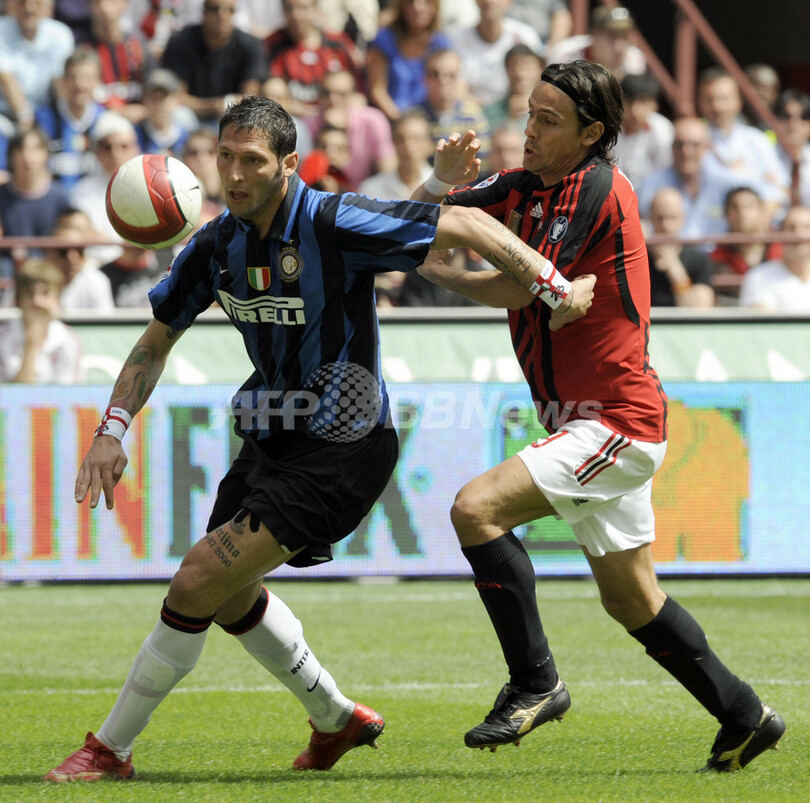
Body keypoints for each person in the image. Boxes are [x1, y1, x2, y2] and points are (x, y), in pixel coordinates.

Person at [44, 93, 594, 782]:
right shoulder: (214, 247)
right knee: (228, 596)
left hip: (345, 443)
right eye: (225, 157)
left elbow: (464, 224)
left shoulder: (331, 219)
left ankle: (110, 750)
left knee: (195, 580)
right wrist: (111, 428)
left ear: (288, 164)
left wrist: (555, 288)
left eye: (252, 160)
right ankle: (336, 719)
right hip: (272, 435)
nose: (234, 174)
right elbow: (154, 343)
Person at [411, 60, 785, 771]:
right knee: (631, 599)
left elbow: (528, 288)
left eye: (548, 120)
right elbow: (405, 228)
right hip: (582, 422)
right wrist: (437, 182)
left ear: (591, 133)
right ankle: (744, 716)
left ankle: (535, 683)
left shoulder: (600, 187)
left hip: (617, 422)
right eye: (529, 113)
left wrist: (443, 264)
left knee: (475, 509)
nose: (528, 130)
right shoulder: (521, 185)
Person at [637, 117, 754, 246]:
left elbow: (763, 198)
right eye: (680, 145)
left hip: (718, 255)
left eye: (695, 145)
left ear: (707, 147)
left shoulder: (726, 181)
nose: (686, 151)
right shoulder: (651, 185)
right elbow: (643, 225)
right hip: (670, 252)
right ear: (672, 148)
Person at [697, 67, 787, 222]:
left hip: (752, 231)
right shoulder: (690, 140)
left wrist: (755, 225)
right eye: (709, 99)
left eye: (724, 99)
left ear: (738, 101)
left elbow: (779, 190)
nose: (717, 106)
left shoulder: (757, 140)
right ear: (699, 102)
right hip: (705, 232)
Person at [160, 0, 266, 123]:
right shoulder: (180, 42)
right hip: (194, 118)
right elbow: (177, 97)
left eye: (229, 10)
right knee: (179, 114)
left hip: (234, 119)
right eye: (215, 9)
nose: (222, 15)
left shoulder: (251, 45)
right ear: (204, 12)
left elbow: (250, 97)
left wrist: (227, 105)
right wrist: (214, 106)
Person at [264, 0, 364, 119]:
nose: (296, 15)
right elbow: (270, 91)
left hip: (335, 116)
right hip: (291, 118)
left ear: (316, 9)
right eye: (289, 9)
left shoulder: (338, 43)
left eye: (304, 8)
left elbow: (358, 89)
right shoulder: (272, 45)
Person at [304, 68, 396, 189]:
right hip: (318, 193)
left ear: (353, 96)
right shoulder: (308, 124)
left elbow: (388, 169)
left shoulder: (374, 121)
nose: (333, 100)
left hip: (363, 193)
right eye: (327, 93)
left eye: (341, 94)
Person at [0, 256, 84, 383]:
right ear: (19, 299)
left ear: (57, 299)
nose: (36, 301)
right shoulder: (2, 337)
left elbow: (69, 391)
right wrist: (31, 345)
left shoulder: (69, 339)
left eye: (45, 293)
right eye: (29, 293)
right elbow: (14, 392)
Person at [35, 45, 107, 190]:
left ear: (98, 81)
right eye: (73, 77)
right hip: (55, 200)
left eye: (88, 78)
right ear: (64, 81)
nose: (80, 85)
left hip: (96, 200)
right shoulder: (44, 119)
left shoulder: (105, 120)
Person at [365, 0, 450, 122]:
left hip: (431, 121)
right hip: (393, 120)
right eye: (411, 2)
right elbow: (377, 90)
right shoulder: (384, 40)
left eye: (426, 2)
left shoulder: (441, 42)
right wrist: (401, 121)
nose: (418, 8)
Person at [449, 0, 542, 108]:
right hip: (473, 112)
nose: (489, 1)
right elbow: (455, 89)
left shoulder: (526, 36)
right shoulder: (456, 39)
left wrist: (526, 101)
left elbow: (541, 80)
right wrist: (489, 110)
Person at [0, 0, 75, 127]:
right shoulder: (1, 30)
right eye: (22, 2)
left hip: (45, 111)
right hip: (5, 113)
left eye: (37, 2)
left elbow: (60, 83)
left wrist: (67, 122)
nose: (29, 8)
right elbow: (6, 79)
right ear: (12, 5)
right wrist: (27, 122)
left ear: (48, 7)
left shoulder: (60, 34)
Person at [421, 48, 491, 170]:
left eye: (450, 75)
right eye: (435, 74)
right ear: (424, 78)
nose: (442, 80)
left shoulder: (474, 116)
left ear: (459, 78)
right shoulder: (414, 118)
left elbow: (483, 162)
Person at [710, 186, 781, 304]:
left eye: (749, 206)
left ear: (762, 212)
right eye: (735, 207)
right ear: (726, 214)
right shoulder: (718, 259)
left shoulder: (782, 249)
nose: (742, 213)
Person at [646, 187, 714, 307]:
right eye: (660, 218)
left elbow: (700, 310)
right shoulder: (637, 258)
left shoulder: (699, 260)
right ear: (650, 218)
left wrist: (674, 269)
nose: (666, 225)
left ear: (683, 218)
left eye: (672, 217)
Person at [546, 4, 644, 82]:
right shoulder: (566, 55)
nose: (618, 47)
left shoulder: (634, 59)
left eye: (624, 37)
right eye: (611, 37)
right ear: (593, 35)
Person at [739, 204, 810, 311]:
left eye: (806, 227)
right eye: (791, 228)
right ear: (780, 234)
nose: (798, 234)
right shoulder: (758, 276)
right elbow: (760, 319)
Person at [613, 71, 673, 189]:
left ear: (654, 105)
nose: (635, 110)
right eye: (629, 102)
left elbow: (666, 171)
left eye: (643, 102)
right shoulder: (610, 127)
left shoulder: (663, 130)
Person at [483, 42, 544, 132]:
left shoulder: (551, 108)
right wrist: (510, 119)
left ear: (540, 68)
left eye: (526, 65)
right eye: (512, 66)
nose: (519, 73)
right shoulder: (492, 111)